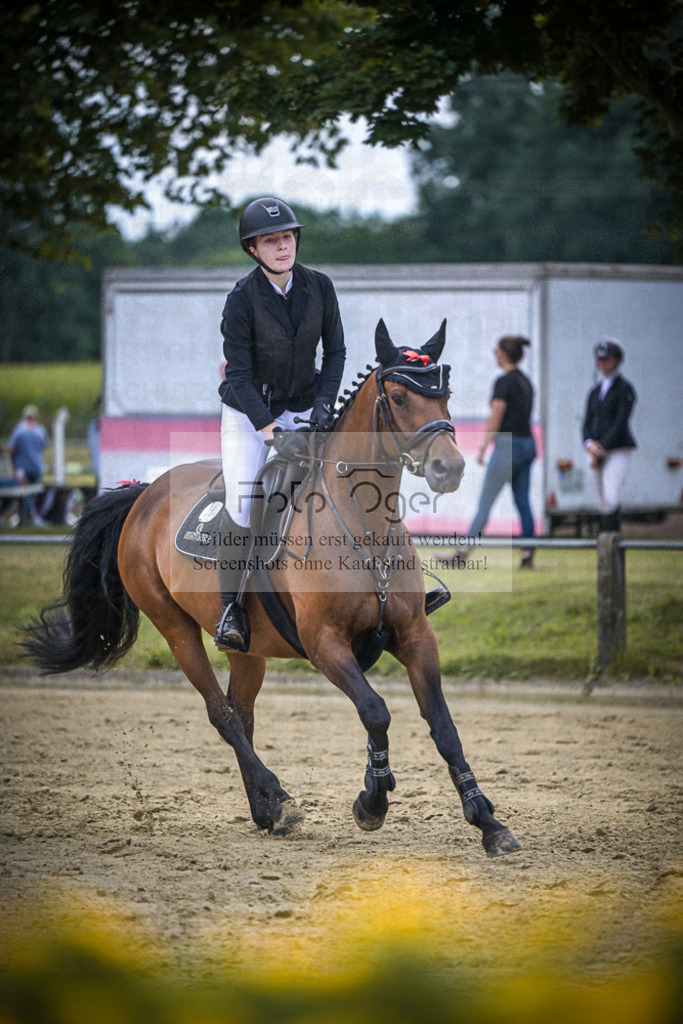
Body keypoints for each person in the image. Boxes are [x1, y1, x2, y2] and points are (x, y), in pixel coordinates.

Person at [215, 197, 346, 650]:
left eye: (287, 237)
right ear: (253, 249)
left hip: (305, 406)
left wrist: (324, 405)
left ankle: (396, 585)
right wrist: (270, 431)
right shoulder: (241, 300)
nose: (283, 246)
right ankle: (231, 608)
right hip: (249, 414)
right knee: (243, 499)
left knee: (350, 482)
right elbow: (238, 375)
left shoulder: (320, 287)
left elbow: (336, 352)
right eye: (271, 240)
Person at [465, 335, 537, 568]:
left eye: (497, 351)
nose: (494, 354)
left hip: (508, 446)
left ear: (504, 355)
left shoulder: (503, 382)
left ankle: (464, 551)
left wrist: (484, 445)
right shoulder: (526, 382)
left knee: (486, 501)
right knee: (523, 502)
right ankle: (528, 554)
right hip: (528, 444)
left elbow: (496, 416)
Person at [582, 337, 637, 532]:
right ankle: (607, 541)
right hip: (596, 449)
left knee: (611, 495)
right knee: (601, 499)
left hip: (617, 448)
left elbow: (621, 421)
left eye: (607, 359)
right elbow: (587, 422)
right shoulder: (595, 391)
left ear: (616, 360)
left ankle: (613, 539)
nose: (603, 363)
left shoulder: (624, 389)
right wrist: (589, 444)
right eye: (600, 359)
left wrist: (602, 446)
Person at [8, 404, 48, 525]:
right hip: (36, 467)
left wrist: (13, 465)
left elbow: (12, 450)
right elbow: (44, 447)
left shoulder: (18, 430)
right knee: (30, 494)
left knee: (25, 494)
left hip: (22, 467)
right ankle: (31, 518)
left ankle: (27, 518)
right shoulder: (40, 430)